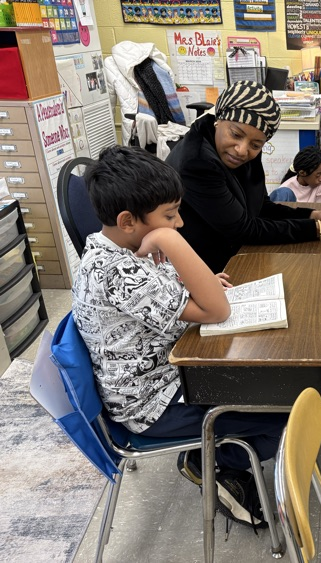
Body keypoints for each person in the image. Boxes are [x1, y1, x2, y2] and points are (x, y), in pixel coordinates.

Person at [72, 146, 288, 529]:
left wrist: (196, 280)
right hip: (154, 405)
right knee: (278, 414)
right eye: (170, 216)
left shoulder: (114, 248)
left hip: (169, 373)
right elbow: (216, 311)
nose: (180, 223)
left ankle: (215, 454)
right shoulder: (118, 271)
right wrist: (168, 242)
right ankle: (215, 464)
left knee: (269, 387)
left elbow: (175, 290)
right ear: (128, 221)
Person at [166, 81, 321, 273]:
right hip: (205, 267)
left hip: (236, 251)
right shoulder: (196, 162)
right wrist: (318, 228)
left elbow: (261, 206)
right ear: (219, 119)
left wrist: (313, 214)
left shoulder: (244, 149)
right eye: (235, 134)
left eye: (256, 145)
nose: (242, 150)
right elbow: (243, 230)